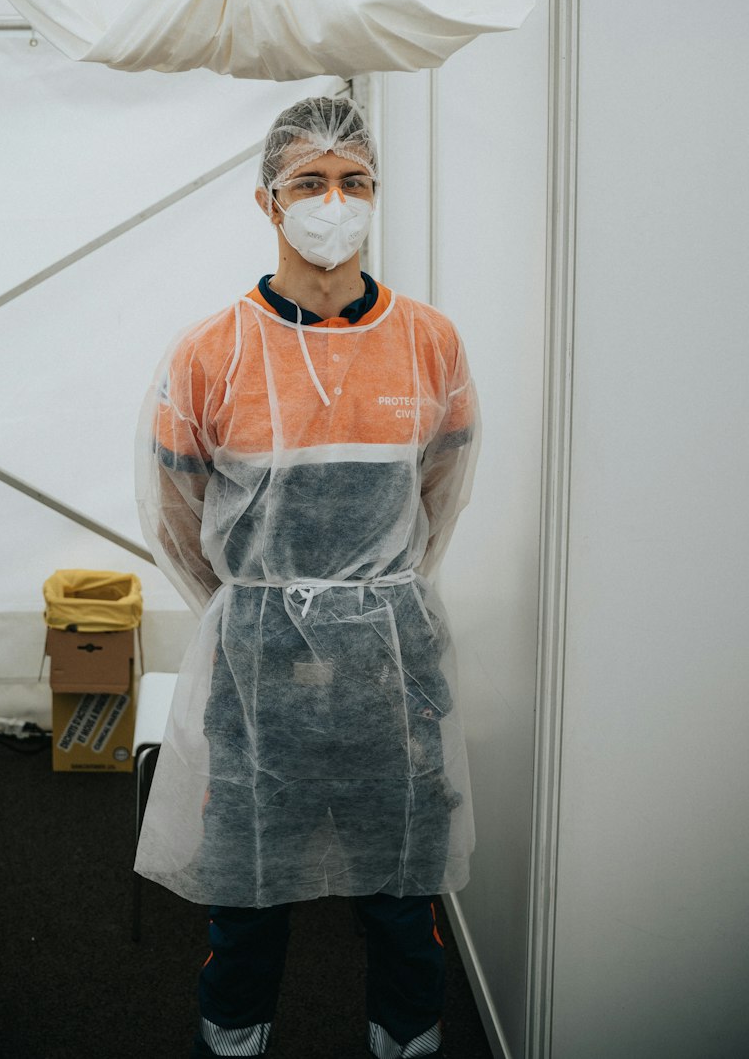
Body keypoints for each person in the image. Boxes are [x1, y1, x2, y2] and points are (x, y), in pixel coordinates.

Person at [134, 95, 480, 1059]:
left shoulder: (429, 343)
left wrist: (370, 600)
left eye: (355, 182)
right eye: (311, 184)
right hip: (257, 663)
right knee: (247, 894)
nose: (336, 202)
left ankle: (405, 1039)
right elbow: (177, 516)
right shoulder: (212, 354)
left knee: (402, 893)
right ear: (267, 199)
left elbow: (440, 492)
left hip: (390, 659)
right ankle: (234, 1038)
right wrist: (259, 611)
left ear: (376, 193)